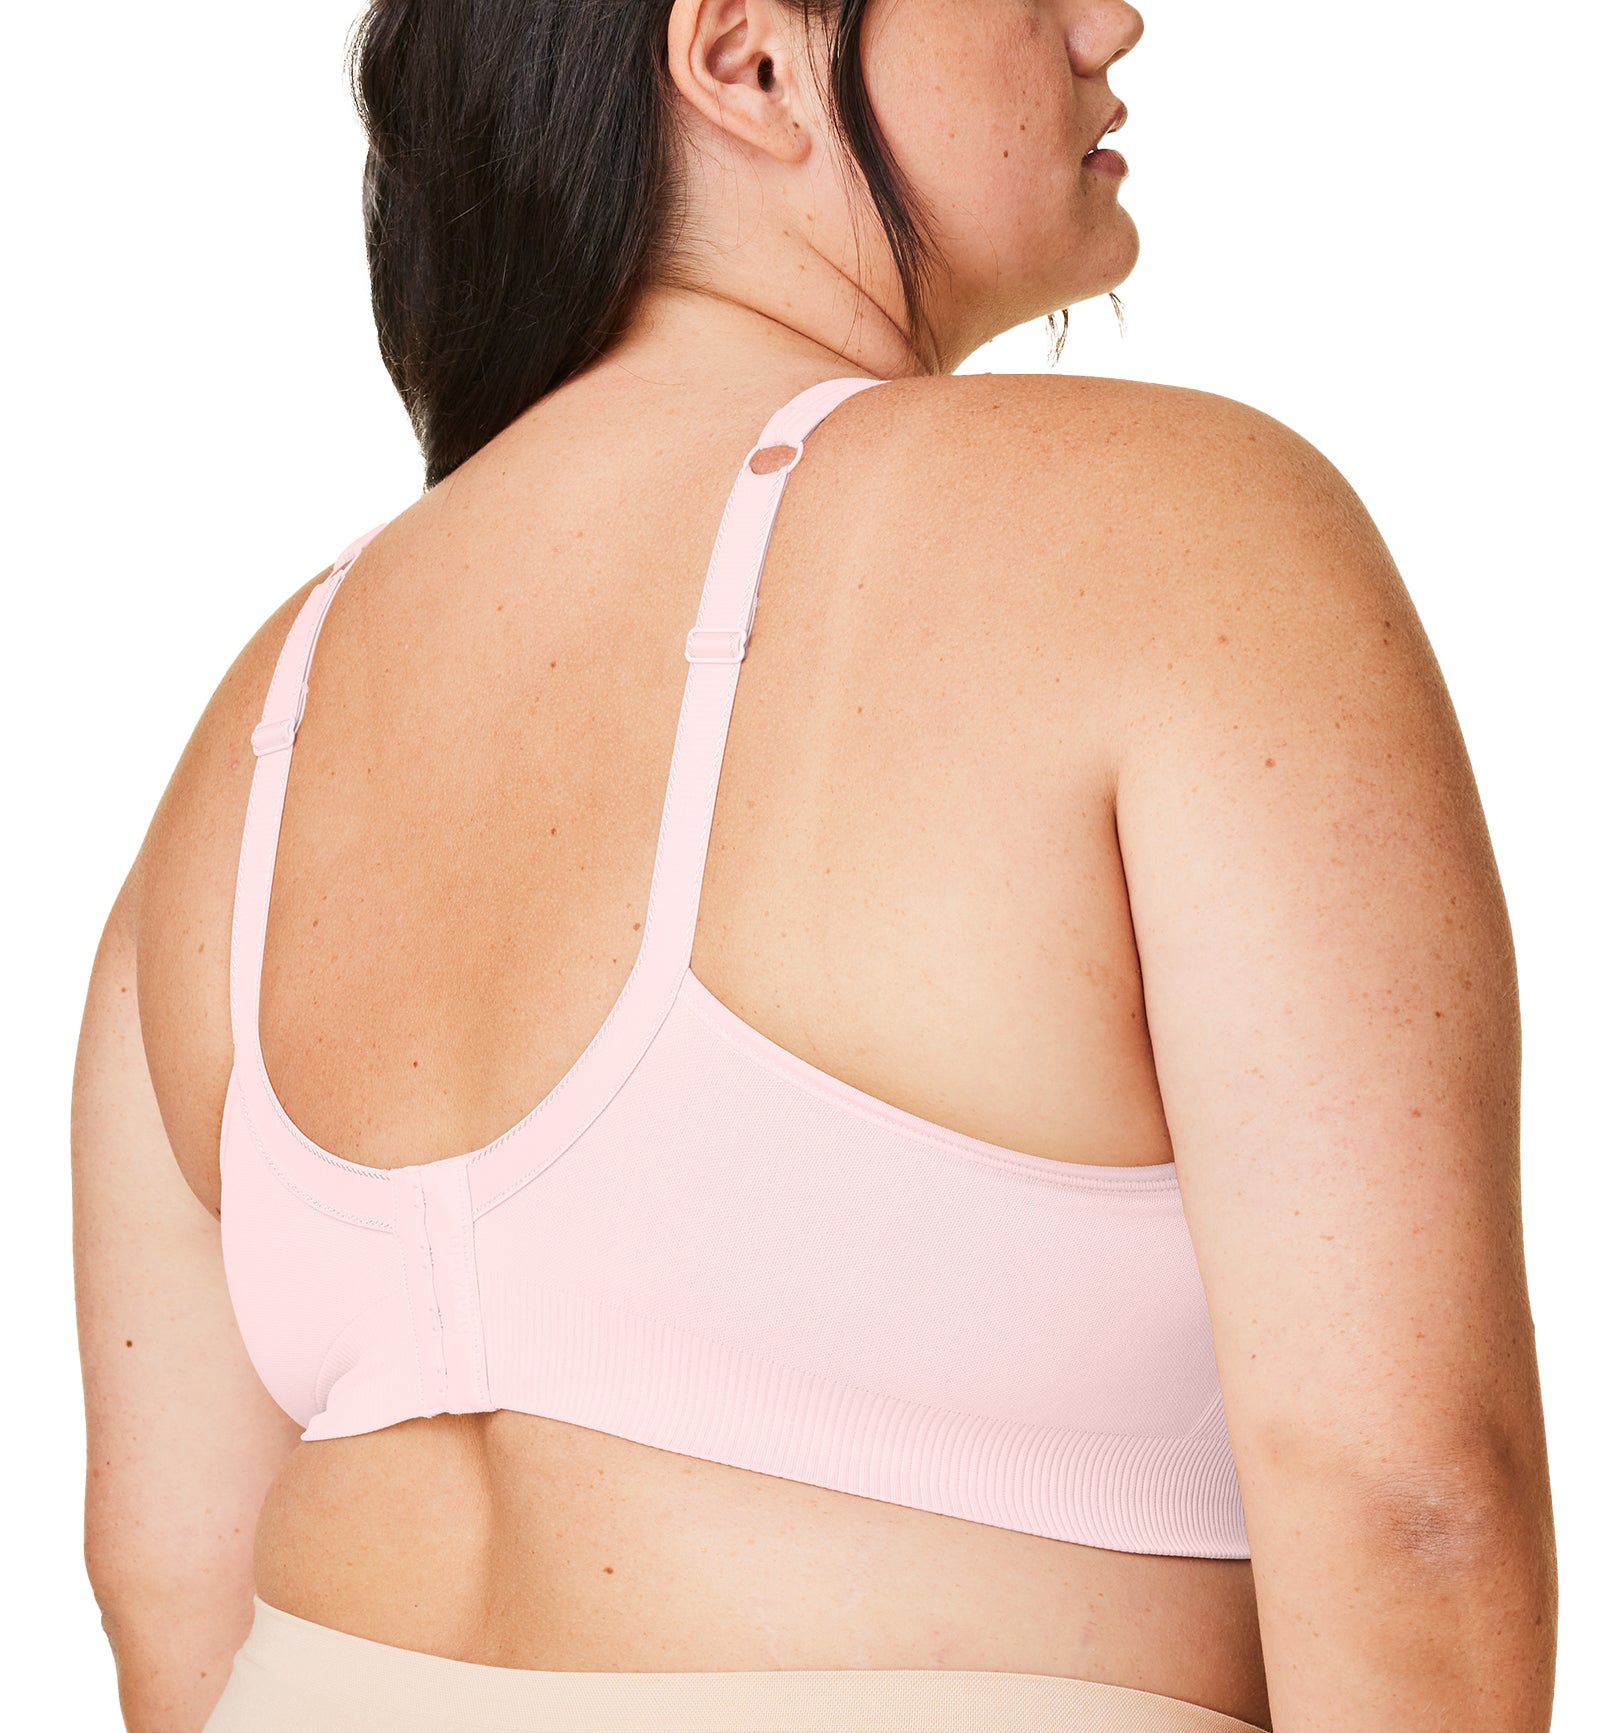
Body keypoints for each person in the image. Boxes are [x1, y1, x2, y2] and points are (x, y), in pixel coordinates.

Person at [71, 2, 1557, 1729]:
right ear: (747, 61)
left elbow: (168, 1591)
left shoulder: (258, 726)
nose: (1109, 22)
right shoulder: (1173, 538)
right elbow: (1413, 1512)